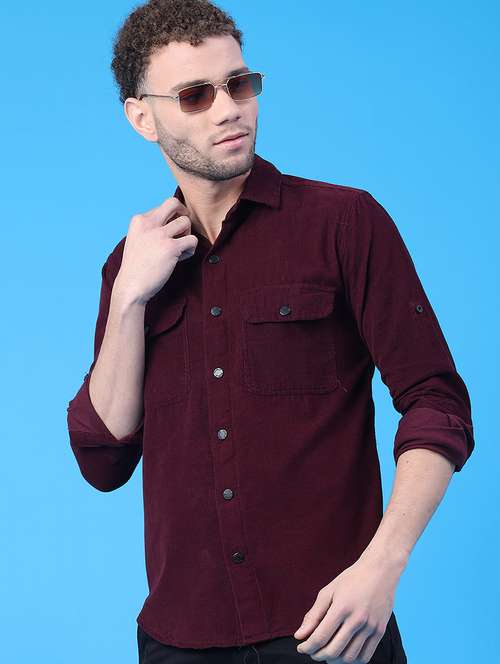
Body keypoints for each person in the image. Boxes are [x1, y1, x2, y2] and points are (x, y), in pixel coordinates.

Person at [66, 1, 475, 662]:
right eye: (195, 95)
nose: (228, 109)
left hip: (332, 631)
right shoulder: (130, 266)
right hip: (179, 641)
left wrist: (382, 567)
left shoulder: (344, 224)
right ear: (142, 118)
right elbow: (103, 460)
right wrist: (128, 299)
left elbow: (437, 402)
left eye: (240, 84)